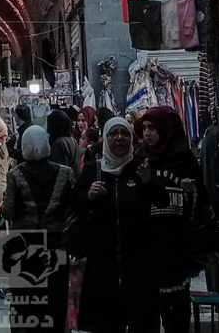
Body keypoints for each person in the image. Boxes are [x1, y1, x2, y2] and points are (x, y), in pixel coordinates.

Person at [135, 105, 216, 333]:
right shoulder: (140, 158)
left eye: (153, 128)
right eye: (145, 128)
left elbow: (199, 205)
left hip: (177, 246)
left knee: (176, 312)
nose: (148, 133)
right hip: (146, 246)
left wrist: (188, 192)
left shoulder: (183, 160)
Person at [68, 117, 153, 333]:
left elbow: (157, 204)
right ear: (105, 139)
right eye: (114, 133)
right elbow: (74, 205)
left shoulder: (141, 169)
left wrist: (148, 184)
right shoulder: (93, 170)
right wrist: (88, 195)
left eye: (125, 134)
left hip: (137, 265)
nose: (119, 138)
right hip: (102, 265)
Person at [0, 127, 76, 333]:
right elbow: (73, 208)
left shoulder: (15, 174)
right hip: (56, 247)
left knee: (24, 302)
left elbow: (8, 212)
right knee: (55, 300)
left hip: (24, 248)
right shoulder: (65, 173)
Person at [75, 106, 99, 171]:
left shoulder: (96, 139)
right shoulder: (75, 136)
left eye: (83, 120)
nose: (80, 123)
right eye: (78, 120)